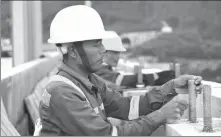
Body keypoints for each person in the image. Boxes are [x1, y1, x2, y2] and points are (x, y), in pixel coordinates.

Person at [35, 5, 202, 136]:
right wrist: (159, 116)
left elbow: (126, 108)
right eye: (96, 44)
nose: (103, 50)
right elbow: (108, 135)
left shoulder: (90, 81)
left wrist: (170, 87)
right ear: (72, 51)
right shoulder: (62, 91)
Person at [96, 31, 175, 90]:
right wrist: (156, 77)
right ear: (103, 51)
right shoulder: (99, 70)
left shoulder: (106, 69)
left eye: (119, 53)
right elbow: (121, 81)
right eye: (115, 53)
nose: (118, 57)